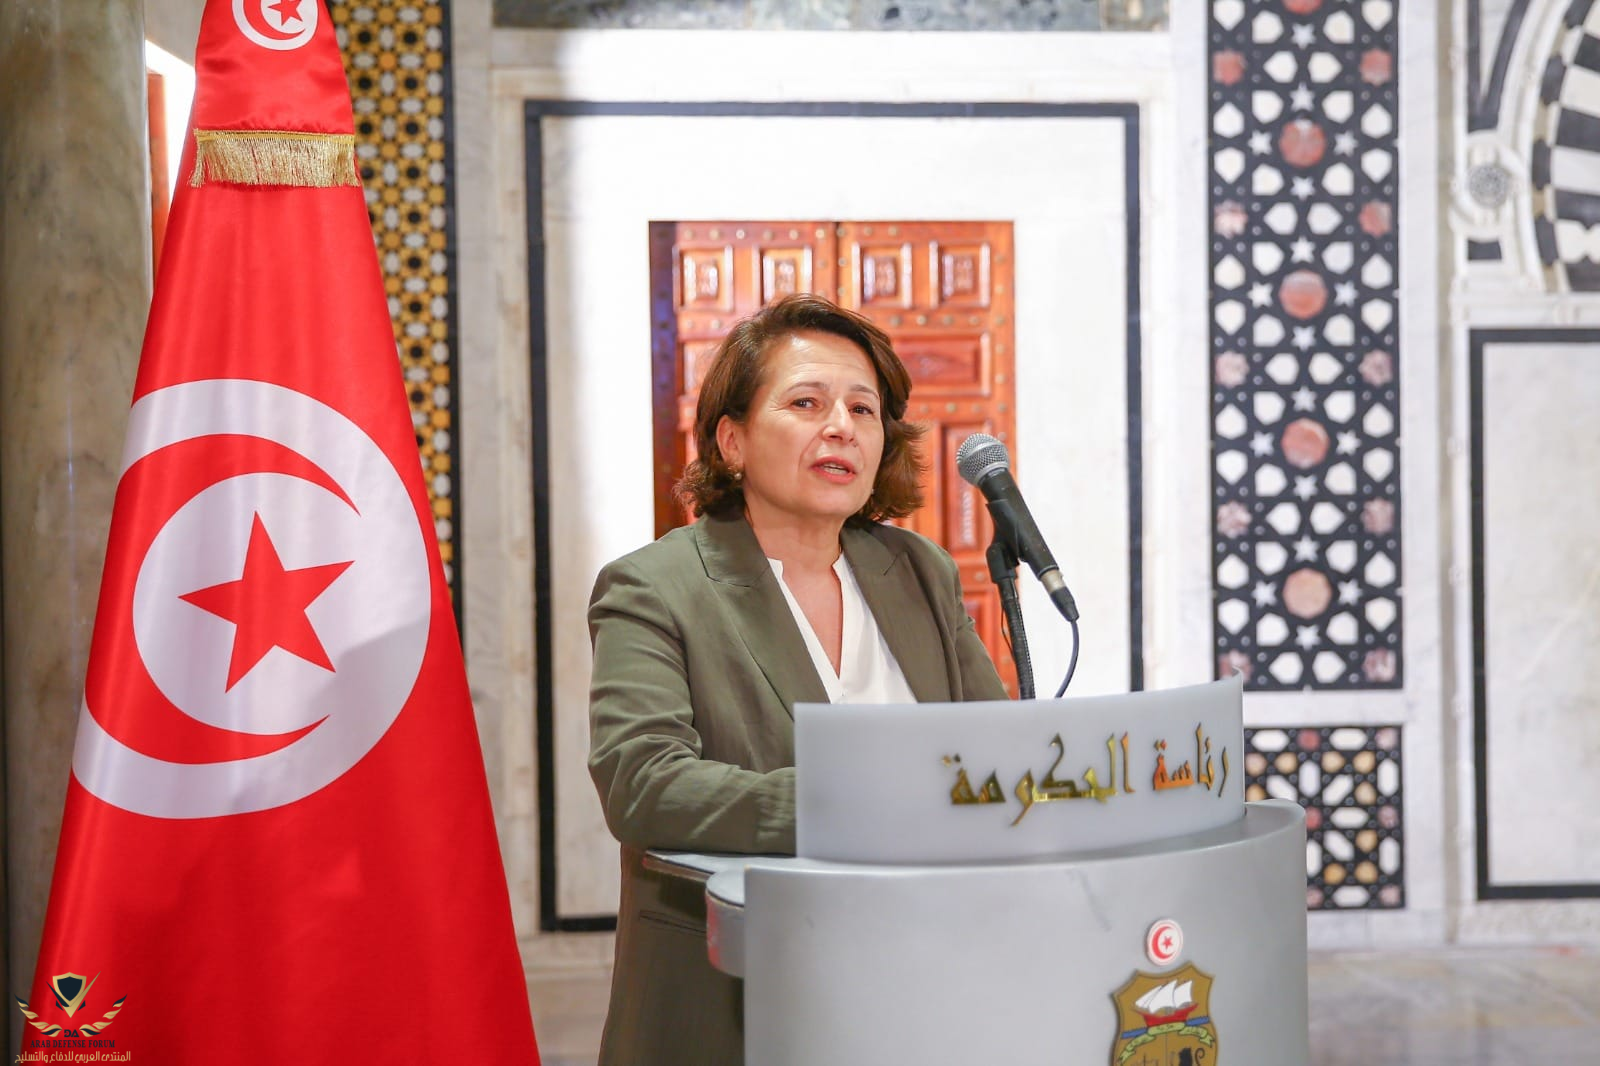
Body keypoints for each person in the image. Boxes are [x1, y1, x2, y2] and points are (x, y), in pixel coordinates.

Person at [587, 293, 1008, 1066]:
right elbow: (643, 785)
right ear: (733, 440)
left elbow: (993, 757)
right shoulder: (655, 587)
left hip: (926, 981)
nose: (841, 426)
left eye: (863, 409)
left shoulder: (919, 571)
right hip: (741, 995)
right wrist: (857, 803)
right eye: (807, 403)